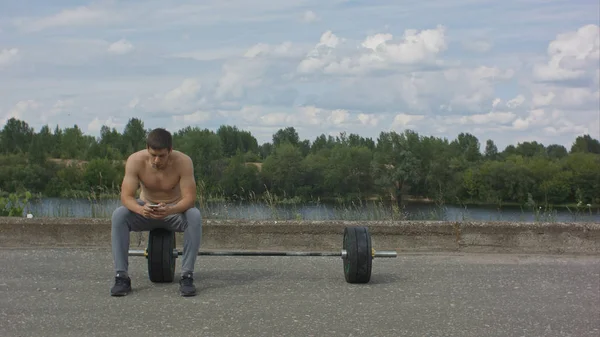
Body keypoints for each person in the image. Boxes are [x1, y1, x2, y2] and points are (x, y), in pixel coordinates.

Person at [110, 128, 202, 297]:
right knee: (119, 215)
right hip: (146, 210)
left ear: (170, 151)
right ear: (147, 149)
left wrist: (171, 209)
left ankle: (187, 276)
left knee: (194, 215)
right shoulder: (135, 161)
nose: (156, 160)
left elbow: (189, 199)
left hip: (173, 211)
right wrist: (140, 209)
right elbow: (126, 197)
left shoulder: (184, 162)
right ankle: (121, 277)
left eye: (162, 156)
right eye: (153, 155)